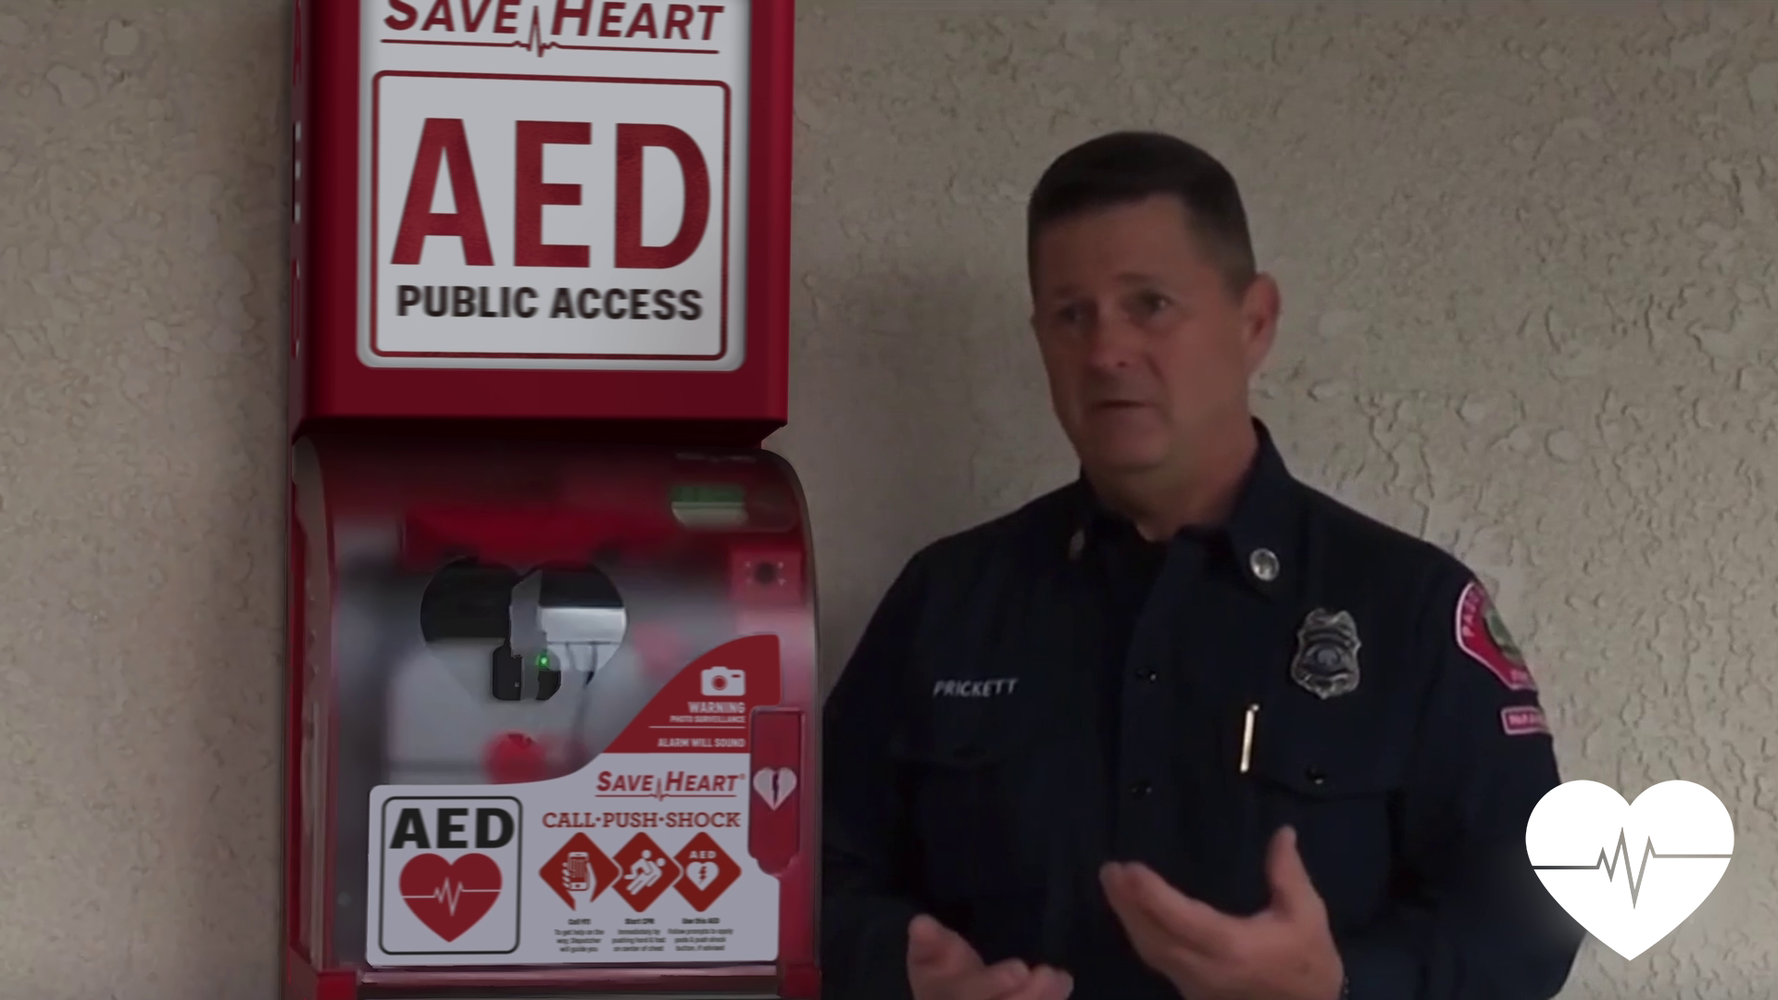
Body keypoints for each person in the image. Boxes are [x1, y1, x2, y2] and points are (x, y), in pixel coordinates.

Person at [819, 131, 1583, 1000]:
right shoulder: (948, 600)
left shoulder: (1407, 609)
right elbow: (807, 867)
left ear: (1254, 322)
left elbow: (1530, 918)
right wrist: (899, 966)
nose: (1105, 351)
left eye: (1149, 304)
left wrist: (1338, 986)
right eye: (1072, 315)